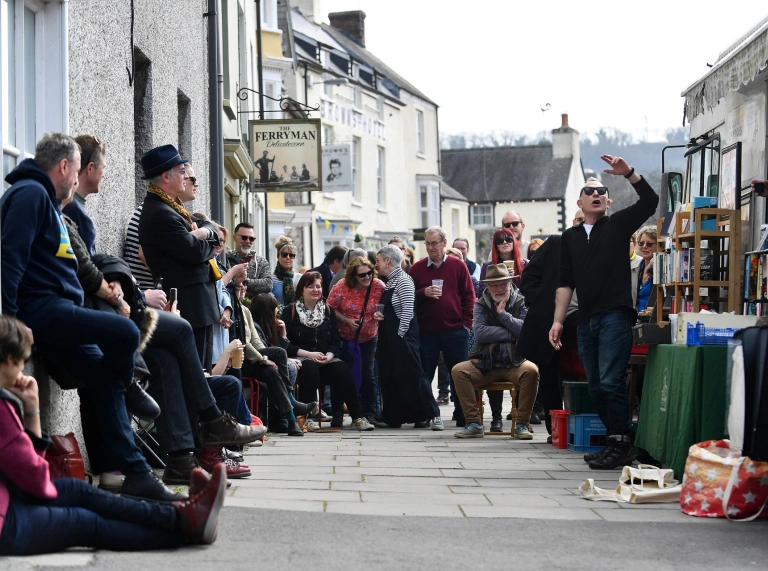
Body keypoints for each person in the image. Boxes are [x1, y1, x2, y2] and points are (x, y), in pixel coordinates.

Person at [1, 133, 181, 502]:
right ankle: (130, 384)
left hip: (61, 312)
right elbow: (9, 259)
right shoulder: (31, 194)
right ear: (64, 166)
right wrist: (9, 322)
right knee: (125, 333)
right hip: (44, 310)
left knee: (105, 380)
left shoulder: (46, 201)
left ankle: (135, 473)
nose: (77, 176)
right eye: (75, 168)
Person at [61, 193, 264, 484]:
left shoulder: (67, 211)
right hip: (104, 316)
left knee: (166, 359)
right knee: (179, 329)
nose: (189, 182)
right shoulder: (151, 211)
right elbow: (90, 272)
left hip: (114, 310)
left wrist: (121, 289)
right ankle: (211, 420)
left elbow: (92, 268)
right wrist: (125, 295)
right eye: (186, 175)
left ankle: (180, 459)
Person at [0, 315, 229, 554]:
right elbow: (35, 480)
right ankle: (184, 528)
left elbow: (27, 471)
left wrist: (31, 409)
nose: (22, 370)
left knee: (80, 492)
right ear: (8, 358)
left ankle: (185, 513)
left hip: (11, 499)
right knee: (85, 522)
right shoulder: (2, 410)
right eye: (21, 361)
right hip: (6, 522)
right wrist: (32, 411)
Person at [549, 155, 659, 470]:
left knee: (611, 382)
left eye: (601, 192)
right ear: (580, 202)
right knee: (596, 385)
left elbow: (650, 201)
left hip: (615, 315)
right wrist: (557, 321)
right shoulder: (569, 238)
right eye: (590, 191)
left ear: (607, 202)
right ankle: (614, 440)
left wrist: (630, 174)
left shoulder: (618, 224)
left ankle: (622, 442)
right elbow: (565, 283)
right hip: (586, 319)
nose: (596, 195)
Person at [138, 145, 222, 372]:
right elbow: (195, 251)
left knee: (202, 372)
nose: (187, 176)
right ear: (166, 177)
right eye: (181, 171)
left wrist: (203, 232)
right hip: (189, 305)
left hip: (198, 304)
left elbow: (207, 229)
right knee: (195, 375)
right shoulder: (160, 212)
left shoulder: (172, 207)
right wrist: (206, 238)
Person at [452, 264, 539, 439]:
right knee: (458, 371)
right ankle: (474, 423)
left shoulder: (522, 301)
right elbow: (480, 333)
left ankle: (522, 424)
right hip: (486, 363)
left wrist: (503, 316)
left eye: (502, 284)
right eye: (494, 285)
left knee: (532, 371)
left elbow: (526, 331)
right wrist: (511, 333)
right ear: (488, 286)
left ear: (509, 283)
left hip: (515, 361)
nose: (499, 289)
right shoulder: (481, 304)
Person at [281, 272, 374, 431]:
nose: (315, 290)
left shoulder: (328, 311)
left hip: (325, 360)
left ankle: (357, 417)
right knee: (309, 368)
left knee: (343, 370)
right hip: (301, 360)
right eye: (310, 286)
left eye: (318, 286)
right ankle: (308, 417)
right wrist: (309, 355)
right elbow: (285, 344)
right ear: (301, 289)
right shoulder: (291, 311)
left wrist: (329, 356)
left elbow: (335, 342)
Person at [409, 226, 475, 427]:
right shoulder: (417, 268)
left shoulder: (457, 265)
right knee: (424, 374)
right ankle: (425, 413)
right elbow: (409, 299)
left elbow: (469, 296)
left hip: (455, 330)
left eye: (434, 243)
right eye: (427, 243)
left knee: (459, 374)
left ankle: (462, 414)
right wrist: (423, 293)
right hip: (427, 331)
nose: (430, 247)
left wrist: (466, 324)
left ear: (444, 243)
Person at [373, 246, 442, 429]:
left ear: (388, 260)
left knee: (414, 375)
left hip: (402, 337)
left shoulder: (404, 280)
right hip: (389, 337)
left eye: (378, 260)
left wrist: (400, 335)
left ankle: (431, 414)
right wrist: (381, 317)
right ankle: (393, 417)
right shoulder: (389, 281)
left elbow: (407, 311)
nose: (376, 264)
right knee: (391, 376)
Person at [327, 257, 386, 425]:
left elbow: (387, 306)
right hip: (344, 337)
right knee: (340, 374)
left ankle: (370, 412)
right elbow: (329, 308)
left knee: (368, 374)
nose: (367, 277)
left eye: (369, 273)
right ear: (353, 277)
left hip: (369, 337)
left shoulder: (379, 286)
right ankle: (337, 412)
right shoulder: (341, 287)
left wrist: (380, 316)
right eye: (362, 275)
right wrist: (346, 320)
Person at [477, 227, 526, 430]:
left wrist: (514, 279)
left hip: (516, 318)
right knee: (491, 357)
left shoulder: (524, 265)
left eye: (509, 238)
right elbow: (482, 294)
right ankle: (495, 416)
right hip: (493, 325)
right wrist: (510, 332)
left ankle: (520, 416)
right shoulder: (488, 266)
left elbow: (529, 296)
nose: (505, 242)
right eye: (500, 239)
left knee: (524, 364)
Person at [62, 135, 106, 256]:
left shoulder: (64, 202)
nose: (103, 175)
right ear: (90, 168)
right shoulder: (77, 214)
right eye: (103, 168)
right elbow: (87, 269)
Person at [226, 222, 273, 300]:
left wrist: (244, 281)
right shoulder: (225, 259)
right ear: (234, 238)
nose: (248, 241)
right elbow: (223, 283)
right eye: (244, 237)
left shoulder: (261, 261)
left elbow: (268, 285)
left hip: (255, 310)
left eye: (251, 239)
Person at [272, 236, 302, 307]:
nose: (288, 257)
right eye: (284, 255)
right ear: (278, 257)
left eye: (291, 255)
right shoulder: (271, 279)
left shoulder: (300, 278)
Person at [634, 226, 657, 312]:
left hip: (654, 320)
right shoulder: (636, 268)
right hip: (636, 321)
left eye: (649, 244)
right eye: (641, 243)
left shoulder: (663, 268)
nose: (644, 246)